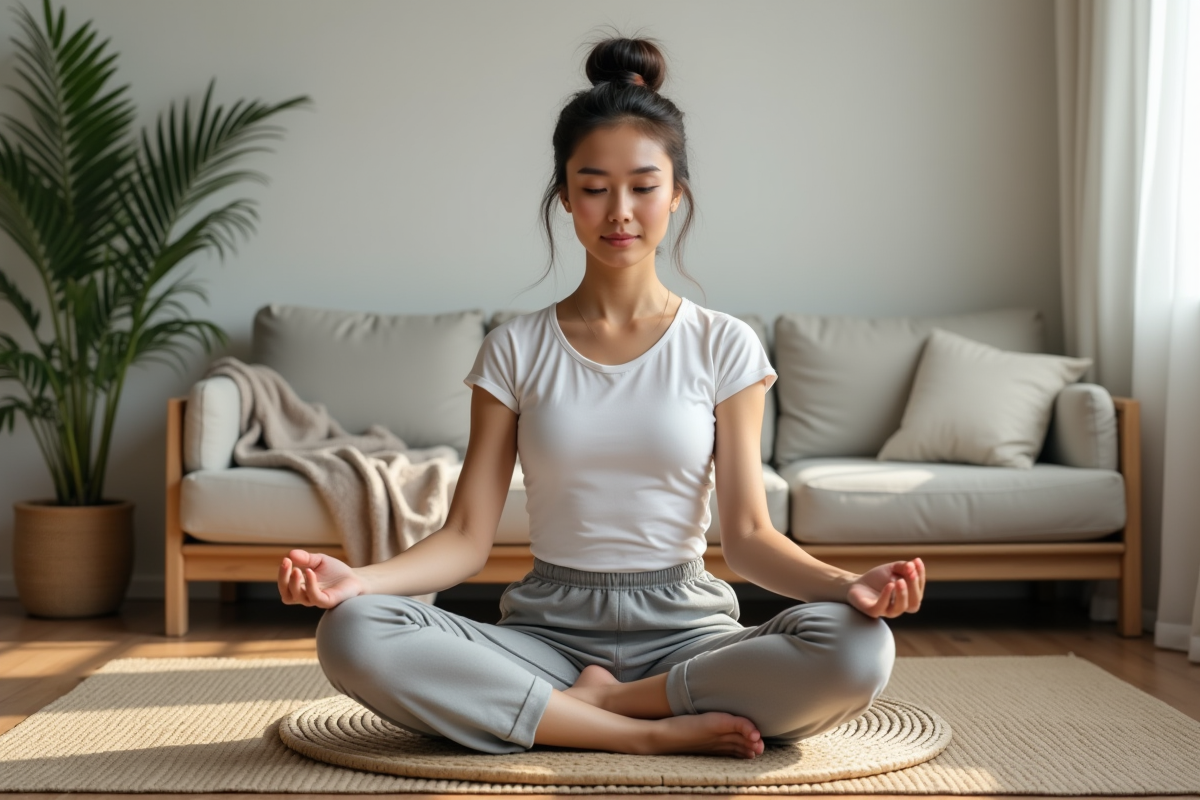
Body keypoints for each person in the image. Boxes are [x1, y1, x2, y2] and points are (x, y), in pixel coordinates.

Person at [278, 34, 925, 761]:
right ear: (565, 196)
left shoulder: (725, 344)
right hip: (545, 638)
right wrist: (359, 580)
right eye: (594, 188)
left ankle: (600, 707)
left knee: (858, 647)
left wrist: (848, 586)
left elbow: (748, 538)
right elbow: (464, 539)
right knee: (353, 630)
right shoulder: (514, 348)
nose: (620, 211)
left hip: (688, 636)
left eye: (643, 187)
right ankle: (641, 733)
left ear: (676, 195)